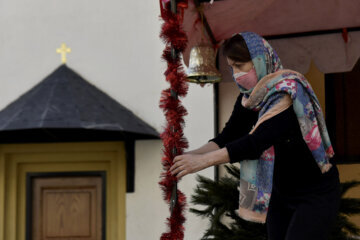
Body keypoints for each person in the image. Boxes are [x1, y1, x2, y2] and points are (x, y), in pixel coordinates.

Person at [170, 32, 341, 240]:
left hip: (316, 193)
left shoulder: (288, 94)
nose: (235, 74)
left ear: (260, 61)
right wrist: (189, 156)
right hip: (281, 193)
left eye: (240, 66)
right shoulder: (249, 99)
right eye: (231, 67)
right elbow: (227, 137)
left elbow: (254, 143)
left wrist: (201, 162)